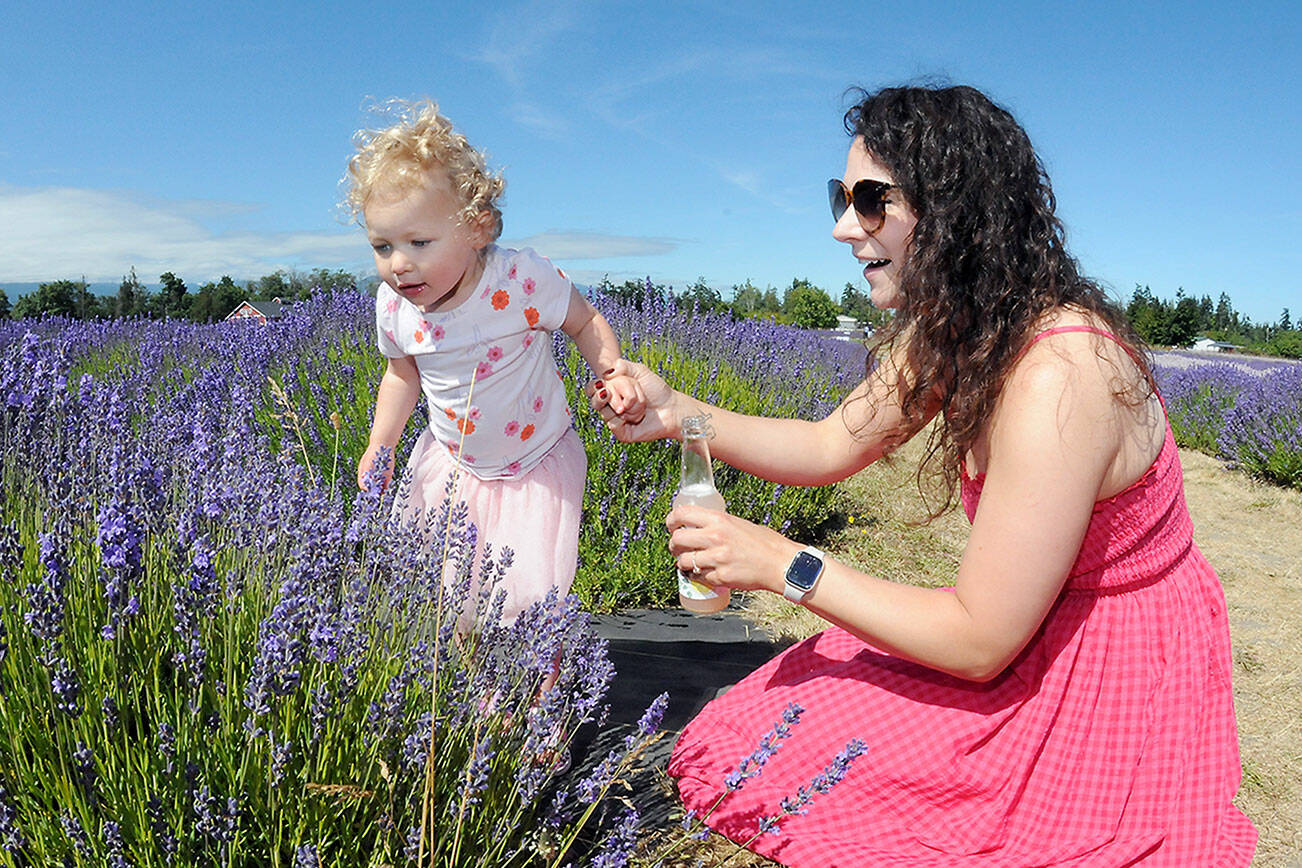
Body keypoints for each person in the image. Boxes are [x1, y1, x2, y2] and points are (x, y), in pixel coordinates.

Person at [591, 85, 1256, 865]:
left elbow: (978, 640)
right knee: (759, 738)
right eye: (840, 197)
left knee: (911, 810)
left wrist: (782, 564)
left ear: (957, 211)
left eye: (872, 201)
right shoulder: (964, 325)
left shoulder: (1061, 373)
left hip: (1109, 659)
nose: (844, 226)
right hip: (1022, 631)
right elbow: (829, 444)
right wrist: (678, 413)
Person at [345, 99, 641, 628]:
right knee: (451, 593)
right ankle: (470, 694)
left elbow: (583, 320)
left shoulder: (520, 280)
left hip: (536, 461)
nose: (399, 263)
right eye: (382, 245)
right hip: (453, 465)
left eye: (419, 242)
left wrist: (612, 371)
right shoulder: (394, 306)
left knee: (530, 595)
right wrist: (380, 442)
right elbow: (401, 374)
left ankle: (534, 692)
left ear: (477, 230)